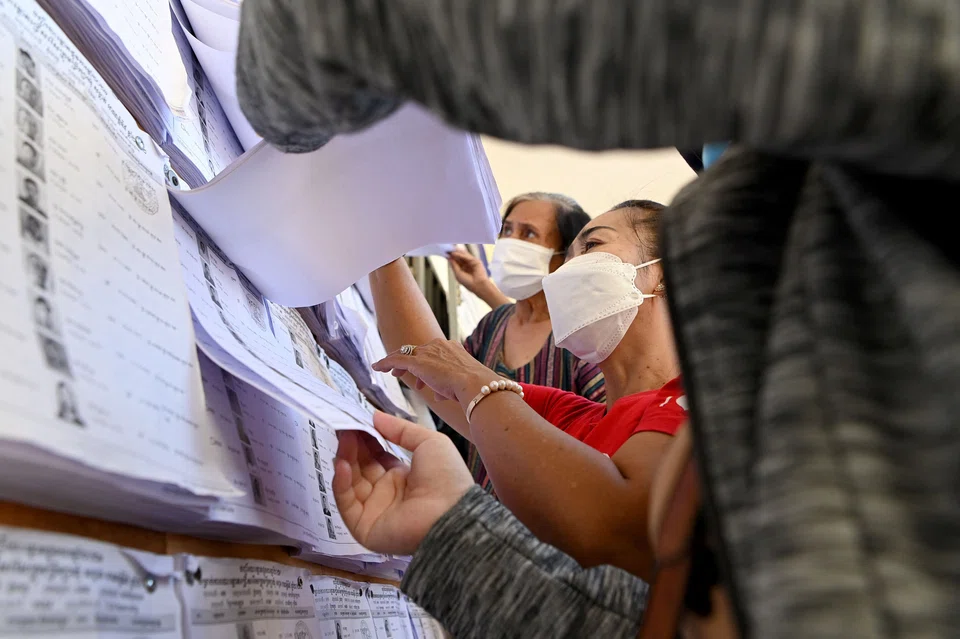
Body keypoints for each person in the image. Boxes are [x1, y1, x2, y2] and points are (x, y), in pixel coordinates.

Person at [237, 0, 960, 636]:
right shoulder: (667, 417)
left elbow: (610, 518)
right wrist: (452, 531)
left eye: (588, 245)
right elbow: (649, 616)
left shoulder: (694, 414)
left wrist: (309, 46)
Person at [371, 200, 685, 579]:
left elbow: (615, 531)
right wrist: (378, 243)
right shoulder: (566, 416)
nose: (567, 272)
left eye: (591, 247)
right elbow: (423, 362)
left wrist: (474, 381)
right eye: (567, 257)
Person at [417, 192, 604, 494]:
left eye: (528, 233)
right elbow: (442, 386)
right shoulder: (492, 325)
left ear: (564, 257)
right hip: (482, 513)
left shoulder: (582, 341)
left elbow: (603, 440)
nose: (510, 243)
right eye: (507, 230)